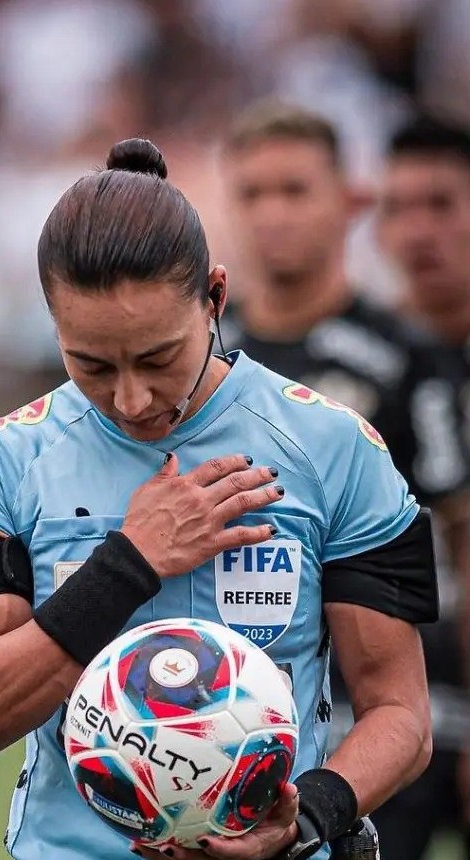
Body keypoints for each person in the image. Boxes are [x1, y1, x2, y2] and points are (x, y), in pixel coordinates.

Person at [0, 137, 436, 860]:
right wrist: (131, 561)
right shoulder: (1, 462)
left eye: (158, 358)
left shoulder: (334, 447)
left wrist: (302, 820)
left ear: (214, 298)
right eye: (90, 363)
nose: (130, 398)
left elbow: (401, 715)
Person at [216, 102, 470, 860]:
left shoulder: (406, 358)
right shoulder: (206, 359)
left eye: (295, 191)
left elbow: (460, 537)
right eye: (253, 194)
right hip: (253, 712)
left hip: (395, 709)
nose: (273, 215)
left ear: (347, 203)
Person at [376, 114, 470, 860]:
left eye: (439, 204)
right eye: (396, 208)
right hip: (393, 706)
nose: (416, 231)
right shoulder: (371, 364)